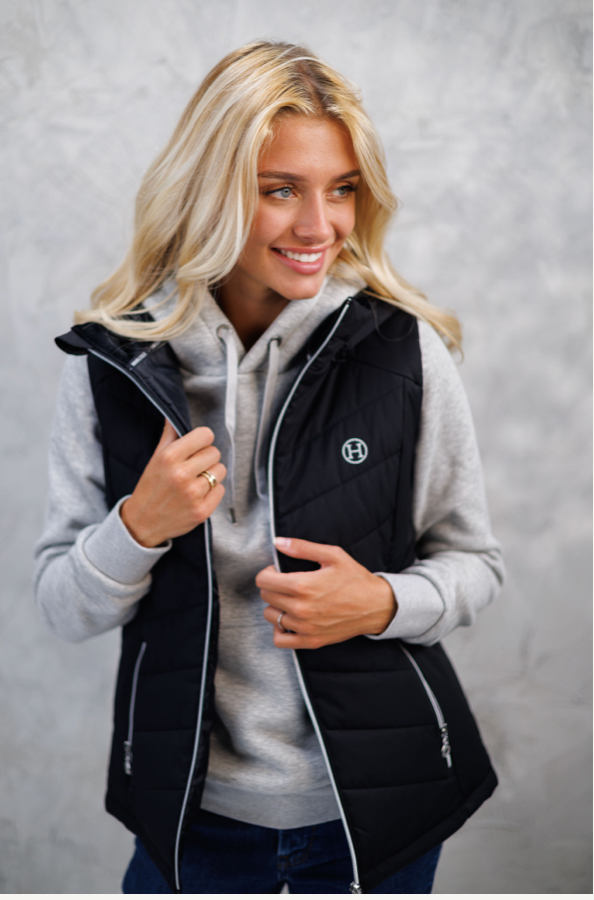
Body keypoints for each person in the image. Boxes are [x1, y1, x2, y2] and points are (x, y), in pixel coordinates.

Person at [34, 41, 504, 894]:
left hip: (378, 817)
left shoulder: (403, 352)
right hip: (194, 822)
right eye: (280, 189)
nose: (320, 227)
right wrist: (139, 527)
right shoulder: (111, 364)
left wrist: (382, 602)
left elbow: (476, 564)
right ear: (208, 189)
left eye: (343, 189)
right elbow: (63, 607)